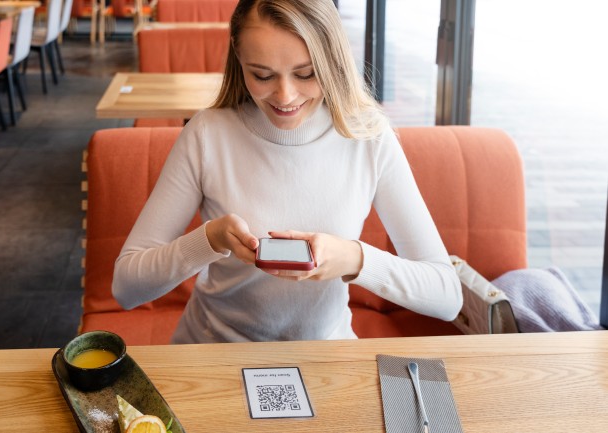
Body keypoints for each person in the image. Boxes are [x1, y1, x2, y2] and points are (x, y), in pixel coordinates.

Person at [112, 0, 463, 344]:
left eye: (306, 73)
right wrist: (209, 241)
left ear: (332, 61)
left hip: (322, 356)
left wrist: (354, 259)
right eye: (262, 74)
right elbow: (126, 287)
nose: (285, 96)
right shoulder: (208, 134)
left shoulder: (369, 137)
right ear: (238, 55)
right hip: (214, 352)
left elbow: (447, 296)